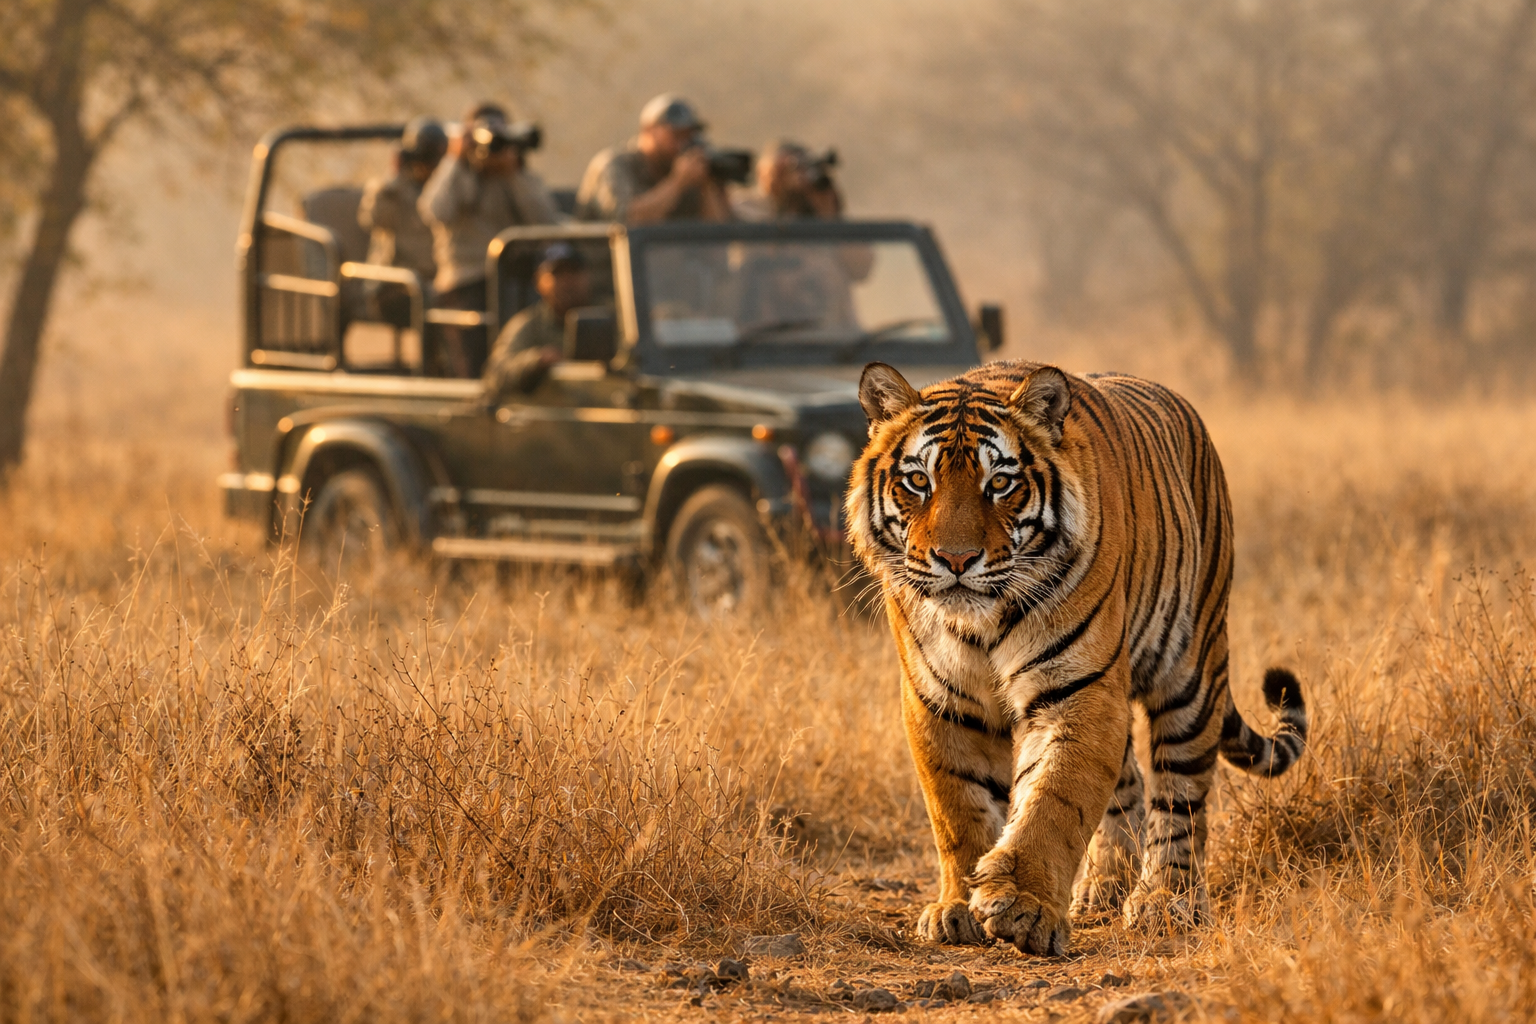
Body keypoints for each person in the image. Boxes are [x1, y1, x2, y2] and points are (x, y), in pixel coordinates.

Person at [419, 101, 563, 376]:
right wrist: (455, 158)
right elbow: (434, 211)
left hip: (516, 278)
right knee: (476, 366)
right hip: (466, 282)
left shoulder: (515, 175)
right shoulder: (457, 173)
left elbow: (547, 222)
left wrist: (513, 173)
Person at [575, 94, 731, 224]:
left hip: (669, 253)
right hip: (606, 253)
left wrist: (708, 184)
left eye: (688, 136)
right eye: (676, 135)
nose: (683, 144)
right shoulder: (614, 165)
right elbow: (628, 221)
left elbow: (720, 236)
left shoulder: (686, 171)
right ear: (648, 131)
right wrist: (678, 183)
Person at [357, 117, 447, 326]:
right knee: (430, 304)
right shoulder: (392, 190)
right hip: (394, 285)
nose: (431, 166)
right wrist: (395, 176)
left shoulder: (447, 190)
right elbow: (371, 219)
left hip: (437, 282)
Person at [483, 242, 593, 398]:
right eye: (558, 274)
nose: (568, 280)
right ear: (539, 282)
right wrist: (537, 360)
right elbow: (495, 373)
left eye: (574, 271)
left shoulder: (611, 315)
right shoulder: (529, 324)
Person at [734, 140, 843, 222]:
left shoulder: (807, 204)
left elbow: (832, 228)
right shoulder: (746, 205)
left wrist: (820, 194)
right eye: (781, 172)